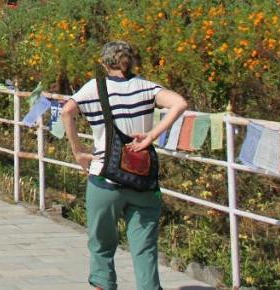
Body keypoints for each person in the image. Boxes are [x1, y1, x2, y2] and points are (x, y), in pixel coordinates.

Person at [60, 41, 188, 290]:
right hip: (142, 179)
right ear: (131, 61)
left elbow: (67, 112)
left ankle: (104, 284)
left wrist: (79, 152)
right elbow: (180, 103)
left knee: (101, 246)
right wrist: (151, 135)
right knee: (145, 248)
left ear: (104, 63)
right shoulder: (146, 87)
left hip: (104, 177)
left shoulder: (94, 88)